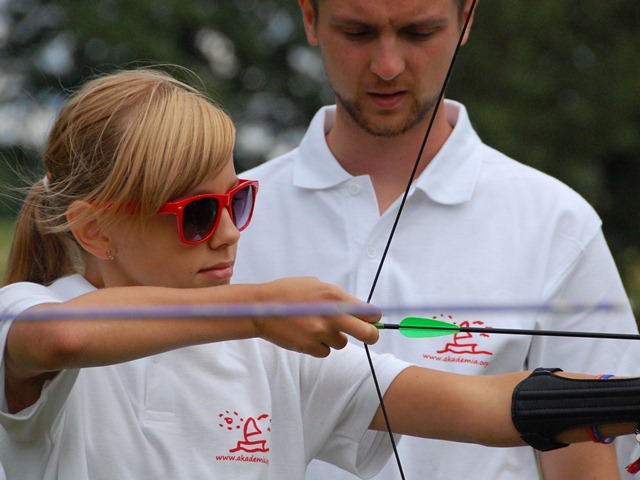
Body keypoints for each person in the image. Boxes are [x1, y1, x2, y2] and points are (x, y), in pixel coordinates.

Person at [3, 69, 640, 480]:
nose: (228, 233)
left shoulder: (274, 357)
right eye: (196, 214)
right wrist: (258, 309)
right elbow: (64, 338)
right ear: (96, 230)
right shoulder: (28, 313)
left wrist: (625, 400)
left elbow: (488, 406)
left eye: (237, 201)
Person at [232, 0, 640, 479]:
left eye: (419, 32)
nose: (387, 66)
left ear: (466, 18)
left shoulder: (557, 223)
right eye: (357, 33)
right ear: (309, 17)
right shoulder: (225, 220)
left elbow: (593, 458)